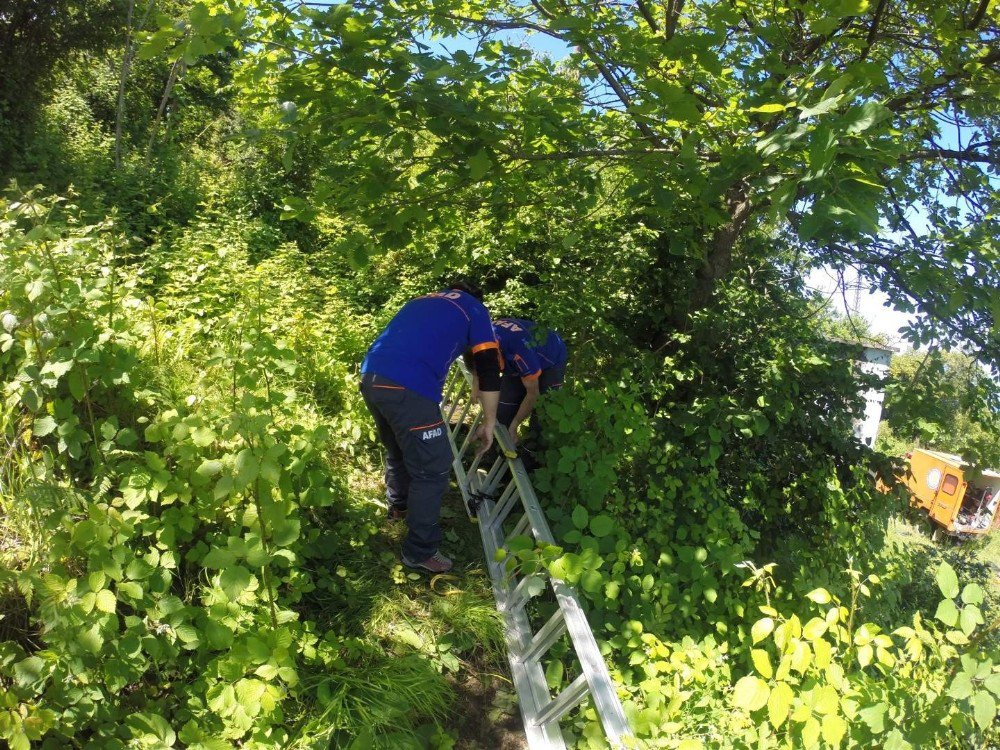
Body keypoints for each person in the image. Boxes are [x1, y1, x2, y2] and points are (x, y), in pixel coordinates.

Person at [360, 282, 501, 573]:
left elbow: (464, 354)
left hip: (372, 375)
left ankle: (398, 506)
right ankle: (419, 552)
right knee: (434, 468)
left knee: (398, 446)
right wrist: (489, 423)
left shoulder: (424, 301)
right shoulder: (475, 308)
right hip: (408, 386)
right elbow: (487, 366)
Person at [491, 317, 567, 453]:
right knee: (504, 408)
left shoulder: (520, 353)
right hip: (519, 352)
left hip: (551, 358)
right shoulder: (480, 340)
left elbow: (533, 395)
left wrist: (515, 425)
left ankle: (532, 457)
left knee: (543, 413)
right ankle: (495, 452)